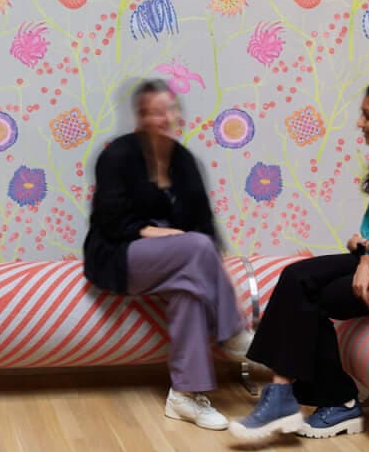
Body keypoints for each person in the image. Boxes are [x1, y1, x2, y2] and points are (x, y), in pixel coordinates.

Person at [232, 80, 369, 443]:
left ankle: (339, 400)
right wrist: (364, 260)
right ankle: (281, 393)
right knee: (297, 275)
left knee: (320, 298)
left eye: (368, 116)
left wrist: (367, 253)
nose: (360, 123)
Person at [83, 80, 253, 431]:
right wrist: (156, 232)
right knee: (196, 248)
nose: (161, 119)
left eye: (167, 111)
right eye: (152, 112)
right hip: (120, 254)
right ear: (140, 117)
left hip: (178, 259)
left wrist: (203, 258)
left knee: (189, 288)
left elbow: (203, 223)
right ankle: (233, 331)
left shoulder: (184, 160)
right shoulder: (117, 155)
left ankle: (184, 395)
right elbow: (110, 221)